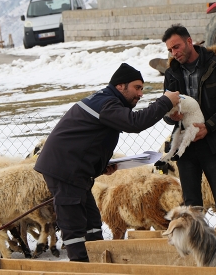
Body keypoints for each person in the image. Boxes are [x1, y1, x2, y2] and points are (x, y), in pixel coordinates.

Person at [34, 63, 180, 262]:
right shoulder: (107, 104)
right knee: (74, 225)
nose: (140, 94)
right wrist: (165, 102)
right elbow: (134, 123)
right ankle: (82, 266)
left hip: (73, 169)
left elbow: (87, 140)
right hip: (65, 170)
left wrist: (101, 165)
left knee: (92, 221)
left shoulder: (106, 101)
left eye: (142, 89)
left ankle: (98, 261)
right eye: (137, 88)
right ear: (121, 86)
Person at [161, 24, 216, 229]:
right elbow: (165, 109)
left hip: (213, 142)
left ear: (189, 41)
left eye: (177, 47)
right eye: (170, 50)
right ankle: (199, 252)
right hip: (186, 145)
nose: (174, 53)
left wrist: (208, 126)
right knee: (191, 207)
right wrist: (172, 118)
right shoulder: (171, 73)